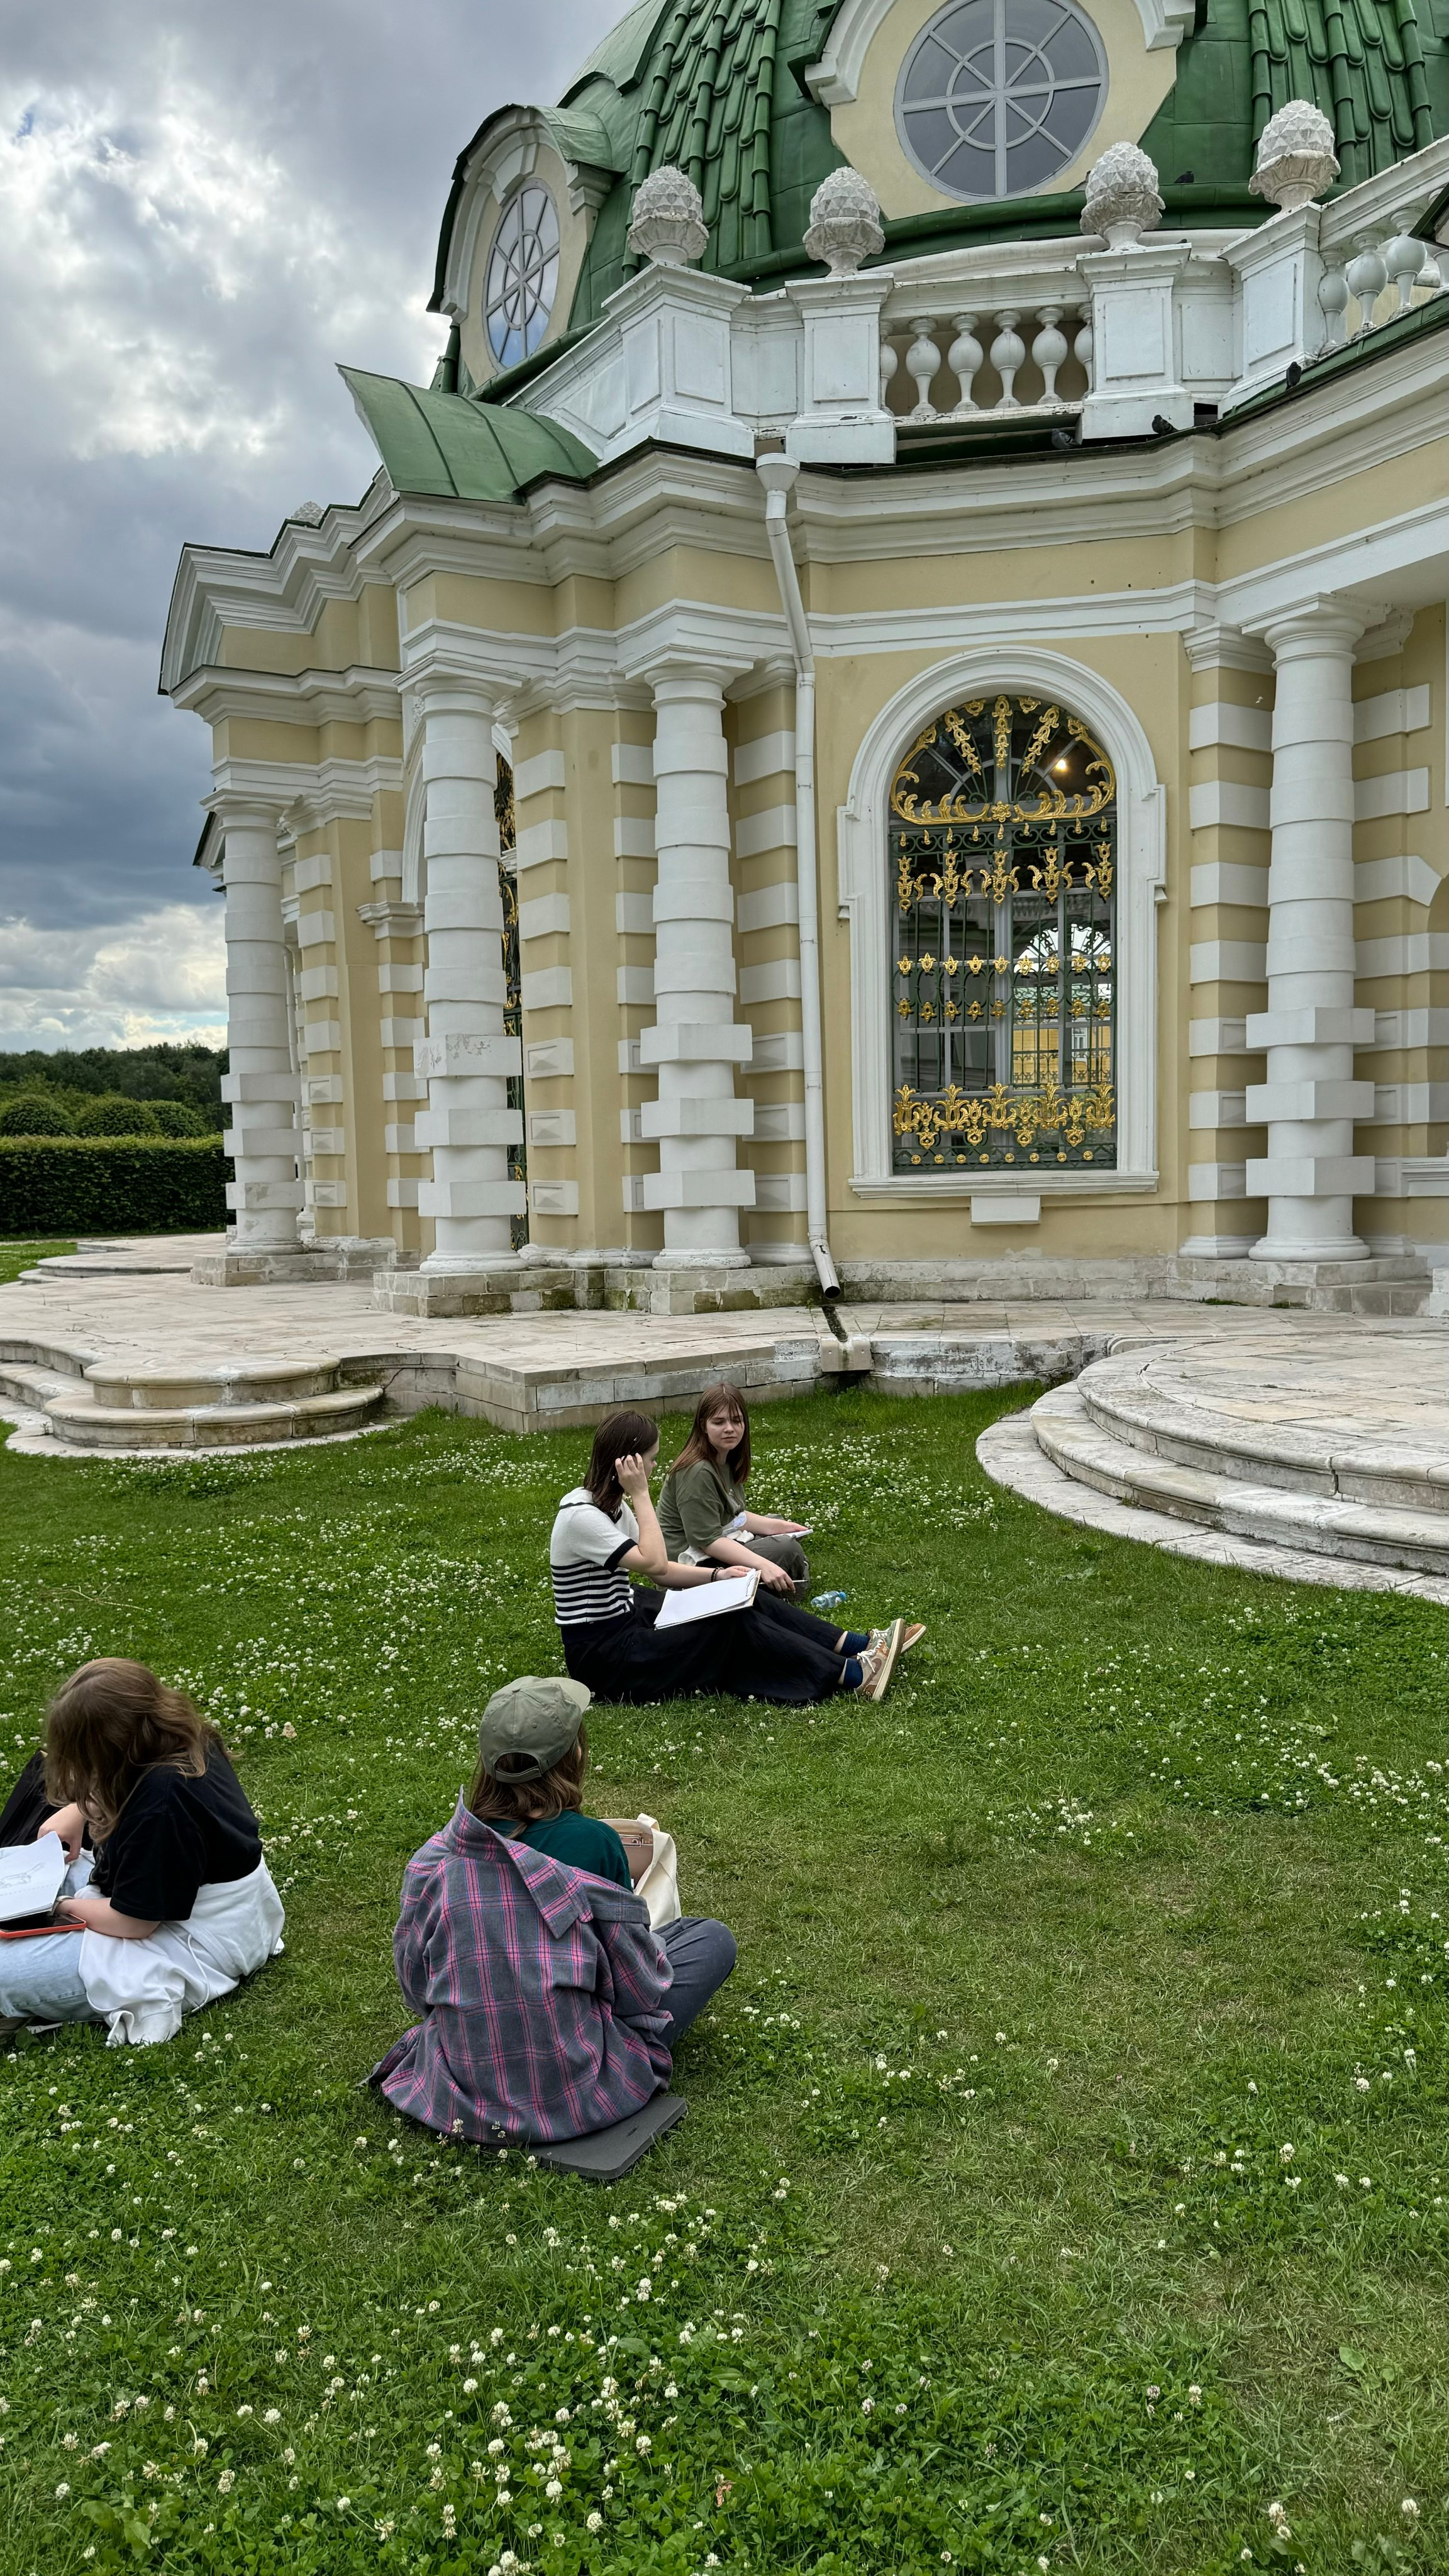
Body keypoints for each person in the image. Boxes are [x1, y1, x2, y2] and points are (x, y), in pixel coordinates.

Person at [370, 1675, 735, 2144]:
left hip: (465, 2089)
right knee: (709, 1939)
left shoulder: (435, 1860)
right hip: (579, 2081)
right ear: (575, 1756)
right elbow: (635, 1988)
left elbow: (416, 1988)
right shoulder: (594, 1842)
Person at [0, 1658, 284, 2047]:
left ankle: (32, 1992)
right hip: (218, 1910)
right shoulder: (183, 1738)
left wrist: (60, 1907)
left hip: (194, 1939)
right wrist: (78, 1811)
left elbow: (135, 1923)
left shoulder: (163, 1801)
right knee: (27, 1862)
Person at [550, 1408, 917, 1706]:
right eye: (651, 1459)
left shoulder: (611, 1509)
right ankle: (855, 1675)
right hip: (605, 1658)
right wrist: (640, 1495)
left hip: (632, 1616)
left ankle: (860, 1646)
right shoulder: (581, 1517)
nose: (655, 1467)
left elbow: (660, 1577)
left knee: (741, 1594)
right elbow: (656, 1565)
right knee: (729, 1623)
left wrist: (717, 1579)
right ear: (628, 1465)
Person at [658, 1380, 813, 1593]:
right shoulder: (697, 1471)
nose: (729, 1429)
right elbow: (708, 1541)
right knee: (784, 1548)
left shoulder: (726, 1459)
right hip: (690, 1566)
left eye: (736, 1420)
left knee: (776, 1524)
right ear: (703, 1425)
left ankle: (775, 1580)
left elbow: (734, 1517)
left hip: (716, 1542)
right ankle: (779, 1586)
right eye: (719, 1422)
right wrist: (764, 1564)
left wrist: (779, 1527)